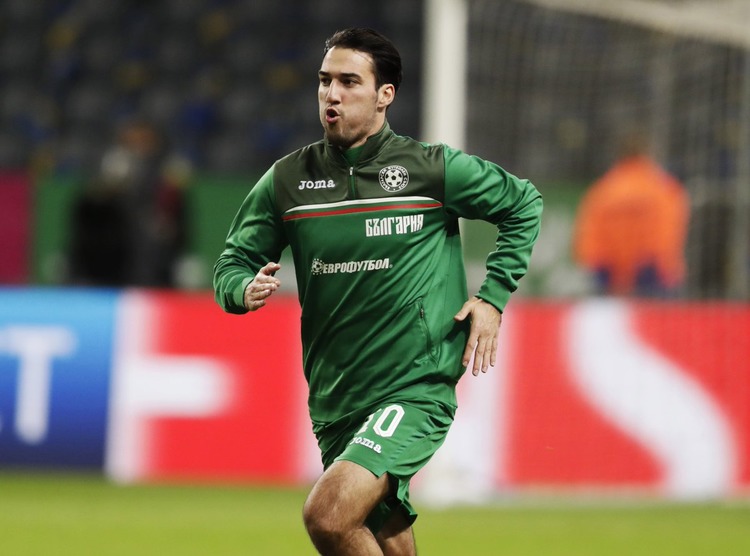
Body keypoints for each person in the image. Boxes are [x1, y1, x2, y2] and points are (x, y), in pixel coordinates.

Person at [213, 28, 542, 555]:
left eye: (349, 82)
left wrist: (493, 297)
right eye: (325, 81)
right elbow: (232, 262)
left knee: (328, 516)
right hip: (336, 394)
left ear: (384, 94)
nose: (332, 94)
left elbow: (523, 204)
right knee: (386, 537)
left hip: (415, 384)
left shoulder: (430, 169)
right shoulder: (287, 180)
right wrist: (241, 288)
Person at [572, 132, 690, 297]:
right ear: (647, 153)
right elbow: (667, 233)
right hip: (653, 276)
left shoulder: (602, 191)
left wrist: (604, 271)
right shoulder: (664, 189)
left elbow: (589, 239)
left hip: (610, 279)